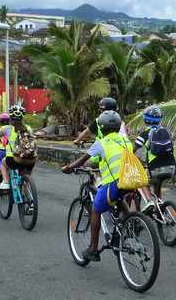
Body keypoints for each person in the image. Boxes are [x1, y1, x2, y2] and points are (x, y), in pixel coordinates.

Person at [60, 110, 130, 262]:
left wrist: (69, 167)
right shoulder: (126, 140)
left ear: (102, 128)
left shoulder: (101, 142)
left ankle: (93, 249)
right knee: (119, 198)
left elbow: (82, 160)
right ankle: (129, 223)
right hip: (130, 180)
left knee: (96, 209)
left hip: (114, 181)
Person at [0, 106, 36, 191]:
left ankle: (5, 181)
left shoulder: (7, 129)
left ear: (10, 118)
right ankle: (27, 192)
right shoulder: (29, 128)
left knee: (3, 162)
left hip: (14, 159)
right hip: (31, 159)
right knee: (25, 175)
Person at [132, 105, 176, 204]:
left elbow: (133, 150)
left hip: (155, 169)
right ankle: (160, 206)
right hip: (171, 167)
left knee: (140, 181)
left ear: (145, 119)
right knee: (157, 184)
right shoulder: (166, 132)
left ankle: (149, 203)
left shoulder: (144, 134)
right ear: (159, 120)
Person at [0, 113, 12, 189]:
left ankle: (0, 171)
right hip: (10, 151)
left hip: (1, 150)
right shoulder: (12, 128)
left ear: (0, 121)